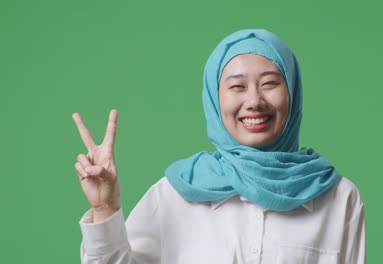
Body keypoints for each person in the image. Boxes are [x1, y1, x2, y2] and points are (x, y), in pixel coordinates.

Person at [73, 29, 366, 264]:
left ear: (293, 92)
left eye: (270, 83)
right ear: (214, 99)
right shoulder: (174, 195)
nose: (254, 101)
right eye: (237, 86)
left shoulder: (339, 198)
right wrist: (105, 207)